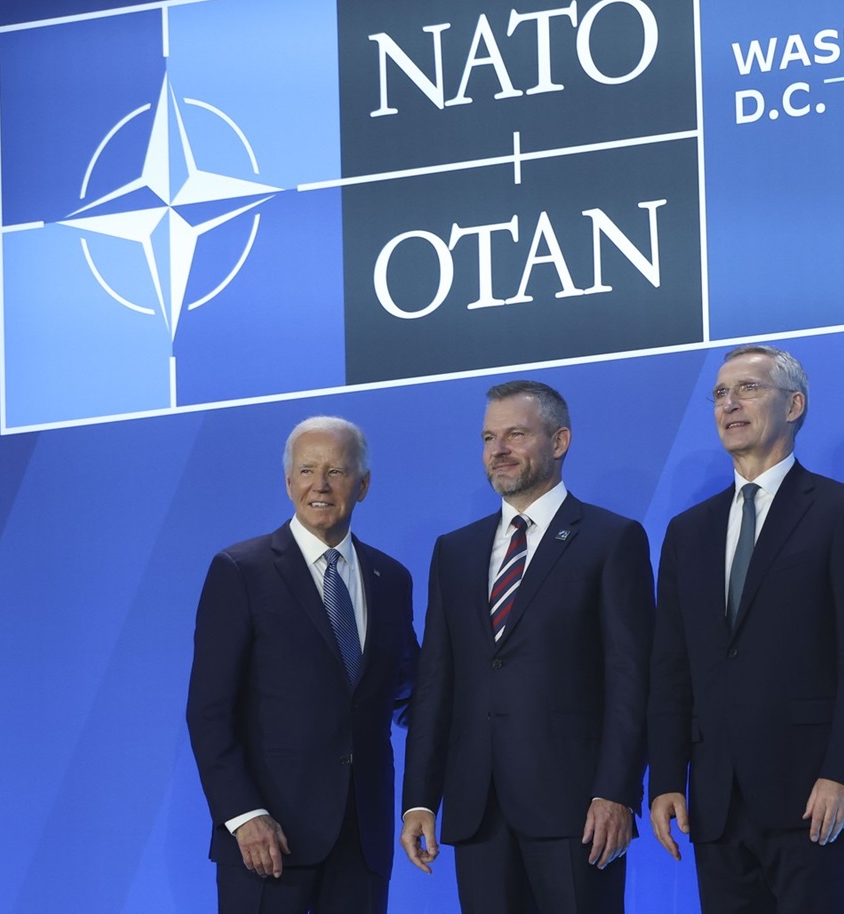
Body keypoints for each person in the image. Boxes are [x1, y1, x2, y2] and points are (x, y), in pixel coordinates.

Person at [648, 345, 844, 913]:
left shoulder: (843, 512)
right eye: (719, 393)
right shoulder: (688, 532)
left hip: (813, 797)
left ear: (795, 405)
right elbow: (671, 668)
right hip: (716, 802)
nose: (729, 404)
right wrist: (665, 778)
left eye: (748, 389)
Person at [400, 380, 655, 914]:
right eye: (489, 437)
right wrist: (419, 799)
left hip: (576, 810)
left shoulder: (611, 539)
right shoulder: (455, 551)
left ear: (560, 441)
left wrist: (616, 791)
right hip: (477, 810)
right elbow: (436, 683)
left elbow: (630, 678)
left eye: (516, 434)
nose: (498, 450)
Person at [187, 416, 418, 914]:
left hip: (362, 841)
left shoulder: (392, 579)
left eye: (336, 471)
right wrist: (243, 815)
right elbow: (208, 711)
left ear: (363, 484)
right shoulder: (240, 571)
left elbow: (409, 691)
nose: (320, 485)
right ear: (288, 482)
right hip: (268, 840)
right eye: (307, 470)